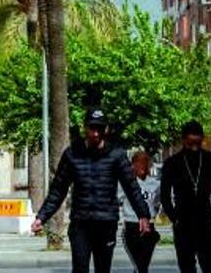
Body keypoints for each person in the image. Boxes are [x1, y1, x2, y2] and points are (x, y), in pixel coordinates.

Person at [31, 109, 151, 273]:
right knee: (80, 268)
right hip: (81, 223)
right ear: (85, 128)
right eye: (92, 128)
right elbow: (58, 189)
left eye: (99, 129)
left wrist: (143, 215)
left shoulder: (116, 156)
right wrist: (42, 217)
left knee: (103, 269)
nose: (95, 133)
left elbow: (131, 187)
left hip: (106, 222)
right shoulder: (72, 154)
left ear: (106, 129)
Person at [160, 121, 211, 273]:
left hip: (205, 222)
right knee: (187, 267)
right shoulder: (172, 163)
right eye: (190, 143)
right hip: (183, 224)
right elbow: (165, 196)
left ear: (202, 139)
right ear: (183, 140)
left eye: (198, 142)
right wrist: (175, 219)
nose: (194, 147)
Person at [118, 151, 162, 273]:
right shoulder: (126, 183)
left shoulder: (155, 184)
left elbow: (158, 203)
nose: (142, 166)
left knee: (143, 265)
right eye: (138, 163)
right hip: (132, 226)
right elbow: (115, 198)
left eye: (145, 163)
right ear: (132, 165)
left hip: (149, 228)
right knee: (139, 266)